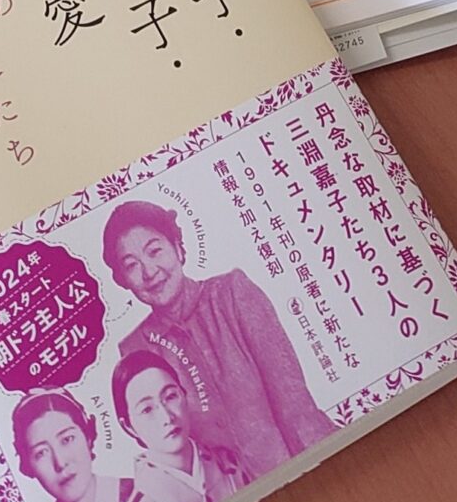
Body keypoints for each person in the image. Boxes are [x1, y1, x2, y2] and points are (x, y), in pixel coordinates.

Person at [101, 200, 334, 483]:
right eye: (131, 265)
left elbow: (294, 404)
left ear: (178, 248)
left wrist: (326, 469)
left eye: (155, 251)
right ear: (123, 280)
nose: (149, 272)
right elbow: (170, 453)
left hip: (298, 469)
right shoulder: (135, 349)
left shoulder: (233, 294)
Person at [112, 348, 245, 502]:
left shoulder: (228, 461)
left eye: (171, 397)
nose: (167, 417)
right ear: (129, 427)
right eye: (147, 409)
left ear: (184, 394)